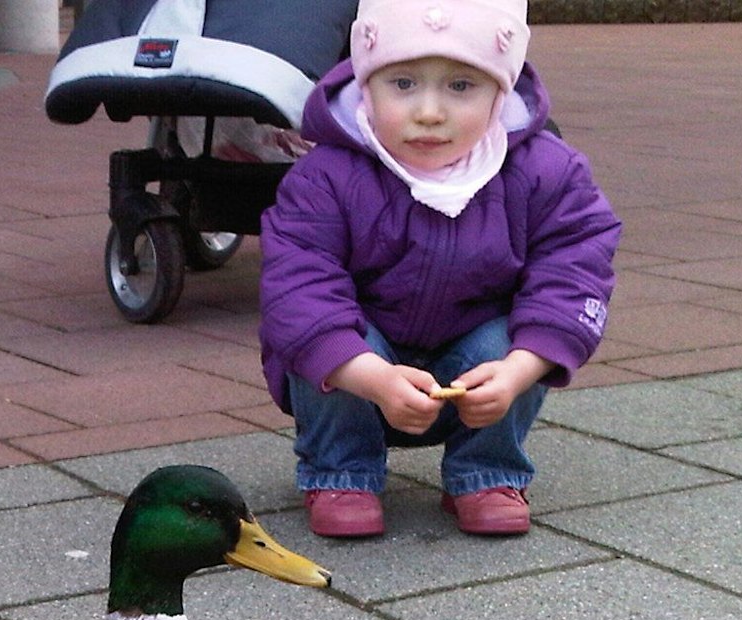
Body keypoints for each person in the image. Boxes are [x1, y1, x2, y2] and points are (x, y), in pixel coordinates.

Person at [257, 0, 619, 537]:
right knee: (318, 334)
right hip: (364, 363)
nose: (429, 112)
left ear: (502, 90)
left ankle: (487, 470)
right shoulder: (326, 176)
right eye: (402, 84)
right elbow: (298, 284)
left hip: (478, 368)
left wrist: (522, 366)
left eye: (461, 87)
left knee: (516, 338)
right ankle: (340, 470)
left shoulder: (547, 171)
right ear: (366, 82)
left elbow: (575, 268)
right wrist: (368, 373)